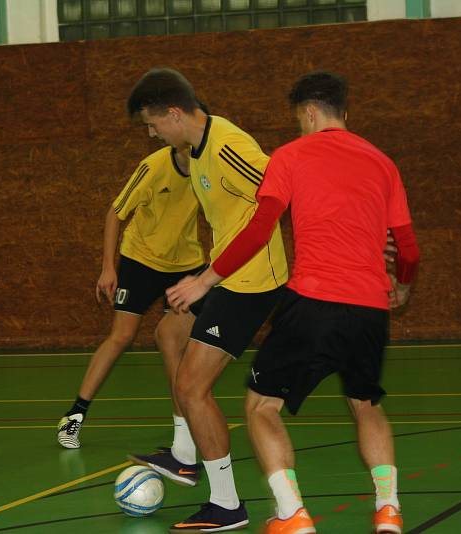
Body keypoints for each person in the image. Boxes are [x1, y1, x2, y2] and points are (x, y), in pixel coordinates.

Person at [166, 71, 420, 534]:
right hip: (369, 309)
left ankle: (291, 514)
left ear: (307, 112)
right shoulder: (383, 163)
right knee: (365, 402)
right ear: (346, 111)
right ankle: (389, 509)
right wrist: (401, 286)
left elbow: (259, 230)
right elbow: (409, 248)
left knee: (261, 406)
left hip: (313, 303)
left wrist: (206, 280)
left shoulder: (290, 156)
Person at [126, 68, 289, 532]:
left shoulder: (227, 146)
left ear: (175, 114)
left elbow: (273, 202)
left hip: (250, 283)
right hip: (224, 277)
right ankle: (183, 454)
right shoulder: (193, 149)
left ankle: (226, 503)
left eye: (153, 125)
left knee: (192, 387)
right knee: (167, 331)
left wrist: (207, 279)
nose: (152, 134)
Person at [56, 142, 206, 457]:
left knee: (173, 343)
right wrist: (108, 267)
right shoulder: (153, 167)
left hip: (186, 266)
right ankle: (74, 416)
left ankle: (183, 431)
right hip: (141, 261)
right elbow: (115, 213)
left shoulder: (209, 167)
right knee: (122, 335)